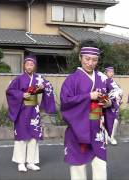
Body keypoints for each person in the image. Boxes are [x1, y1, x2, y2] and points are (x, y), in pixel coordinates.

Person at [60, 40, 118, 180]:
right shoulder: (71, 80)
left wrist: (109, 103)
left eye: (94, 60)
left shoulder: (103, 78)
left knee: (100, 164)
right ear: (80, 57)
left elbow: (115, 94)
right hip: (77, 127)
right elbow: (65, 101)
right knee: (78, 166)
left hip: (97, 127)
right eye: (87, 59)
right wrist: (88, 96)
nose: (90, 63)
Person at [6, 55, 56, 172]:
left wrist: (44, 87)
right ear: (24, 65)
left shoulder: (39, 78)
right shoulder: (18, 79)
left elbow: (49, 86)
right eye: (27, 64)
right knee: (22, 136)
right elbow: (10, 91)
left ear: (34, 66)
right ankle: (21, 162)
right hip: (22, 109)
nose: (29, 66)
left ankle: (31, 162)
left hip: (34, 110)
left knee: (34, 136)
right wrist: (21, 94)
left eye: (31, 64)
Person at [104, 66, 123, 145]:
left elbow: (119, 91)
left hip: (116, 104)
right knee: (109, 121)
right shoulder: (105, 81)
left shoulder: (114, 82)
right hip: (109, 104)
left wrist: (120, 98)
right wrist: (108, 100)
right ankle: (109, 137)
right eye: (110, 72)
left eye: (112, 72)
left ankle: (111, 137)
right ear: (106, 73)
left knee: (115, 121)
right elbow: (104, 93)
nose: (111, 73)